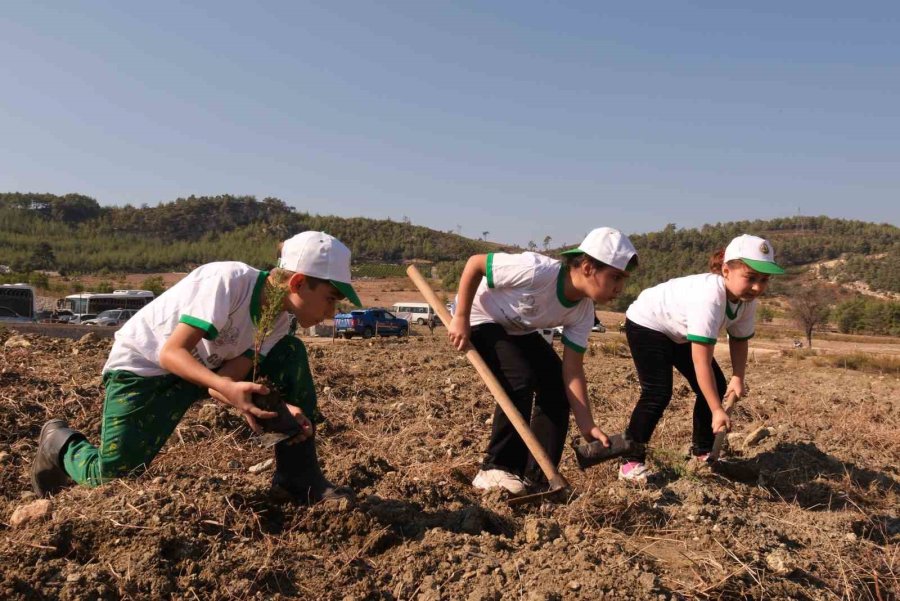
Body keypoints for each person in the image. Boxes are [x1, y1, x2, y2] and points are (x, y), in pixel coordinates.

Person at [32, 231, 362, 505]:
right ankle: (58, 442)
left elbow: (224, 381)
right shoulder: (229, 282)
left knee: (290, 353)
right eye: (330, 298)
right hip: (144, 371)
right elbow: (171, 353)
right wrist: (228, 389)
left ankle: (297, 478)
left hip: (204, 370)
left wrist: (278, 410)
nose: (332, 312)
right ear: (299, 282)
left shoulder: (277, 322)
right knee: (112, 475)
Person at [449, 227, 638, 495]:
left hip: (518, 329)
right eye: (615, 277)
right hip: (480, 316)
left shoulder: (583, 312)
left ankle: (536, 477)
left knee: (556, 386)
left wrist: (587, 424)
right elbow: (475, 264)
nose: (620, 288)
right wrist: (461, 317)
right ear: (587, 267)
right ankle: (496, 468)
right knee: (519, 378)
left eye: (624, 280)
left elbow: (572, 371)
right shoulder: (536, 270)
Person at [619, 234, 784, 482]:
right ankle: (630, 461)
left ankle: (702, 452)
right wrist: (717, 410)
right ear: (726, 271)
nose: (757, 287)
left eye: (764, 280)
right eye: (750, 278)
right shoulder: (709, 297)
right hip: (648, 323)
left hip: (679, 330)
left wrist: (738, 377)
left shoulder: (747, 301)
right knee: (658, 392)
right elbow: (701, 362)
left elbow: (739, 340)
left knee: (717, 385)